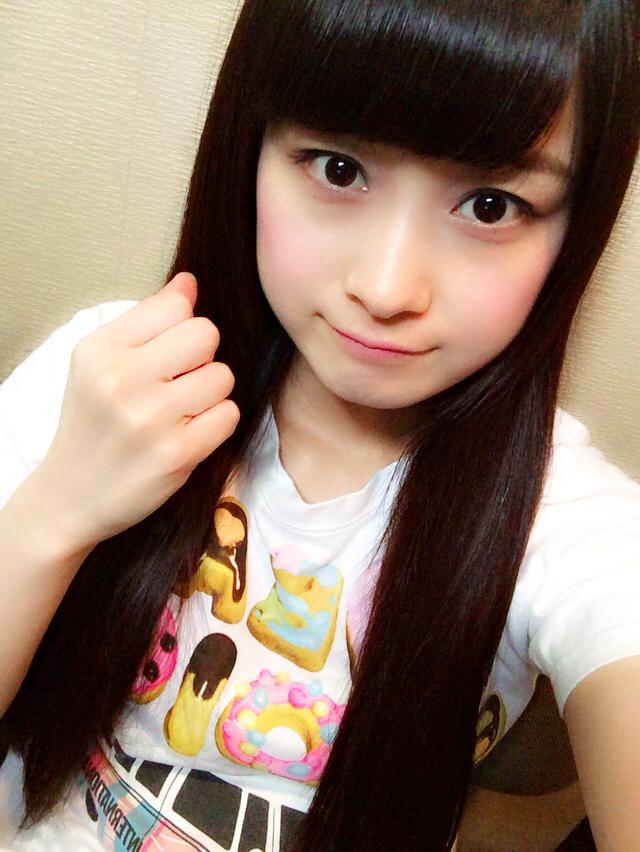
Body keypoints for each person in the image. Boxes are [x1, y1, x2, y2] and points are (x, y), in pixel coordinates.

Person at [0, 0, 638, 849]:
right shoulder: (113, 378)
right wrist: (53, 515)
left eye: (491, 206)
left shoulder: (560, 517)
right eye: (339, 169)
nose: (386, 286)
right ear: (250, 150)